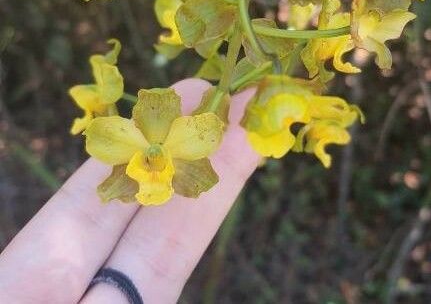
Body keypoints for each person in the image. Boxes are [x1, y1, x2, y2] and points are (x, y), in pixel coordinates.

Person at [0, 79, 259, 304]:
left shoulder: (198, 145)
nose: (154, 157)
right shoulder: (130, 162)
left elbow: (203, 175)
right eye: (150, 158)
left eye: (154, 158)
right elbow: (105, 147)